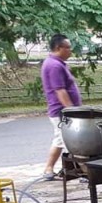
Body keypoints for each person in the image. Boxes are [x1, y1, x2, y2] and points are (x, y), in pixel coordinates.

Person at [41, 34, 82, 180]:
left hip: (63, 111)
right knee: (72, 141)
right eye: (68, 47)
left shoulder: (58, 63)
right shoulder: (54, 65)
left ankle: (50, 169)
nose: (70, 50)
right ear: (59, 48)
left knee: (60, 139)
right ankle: (84, 170)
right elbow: (60, 90)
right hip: (61, 111)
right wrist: (72, 110)